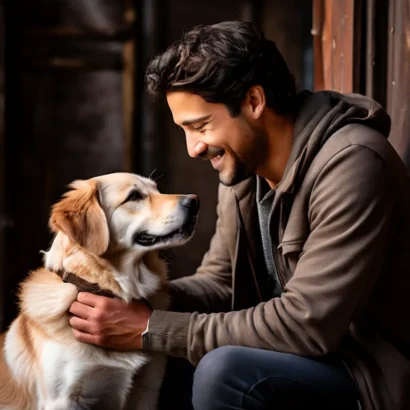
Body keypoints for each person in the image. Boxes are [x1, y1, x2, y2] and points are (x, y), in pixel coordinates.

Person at [68, 20, 410, 410]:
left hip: (365, 377)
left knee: (222, 370)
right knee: (161, 359)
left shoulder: (352, 164)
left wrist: (149, 327)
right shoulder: (245, 171)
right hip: (300, 360)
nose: (193, 148)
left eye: (200, 126)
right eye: (184, 129)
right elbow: (220, 283)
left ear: (253, 101)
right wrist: (122, 298)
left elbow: (307, 323)